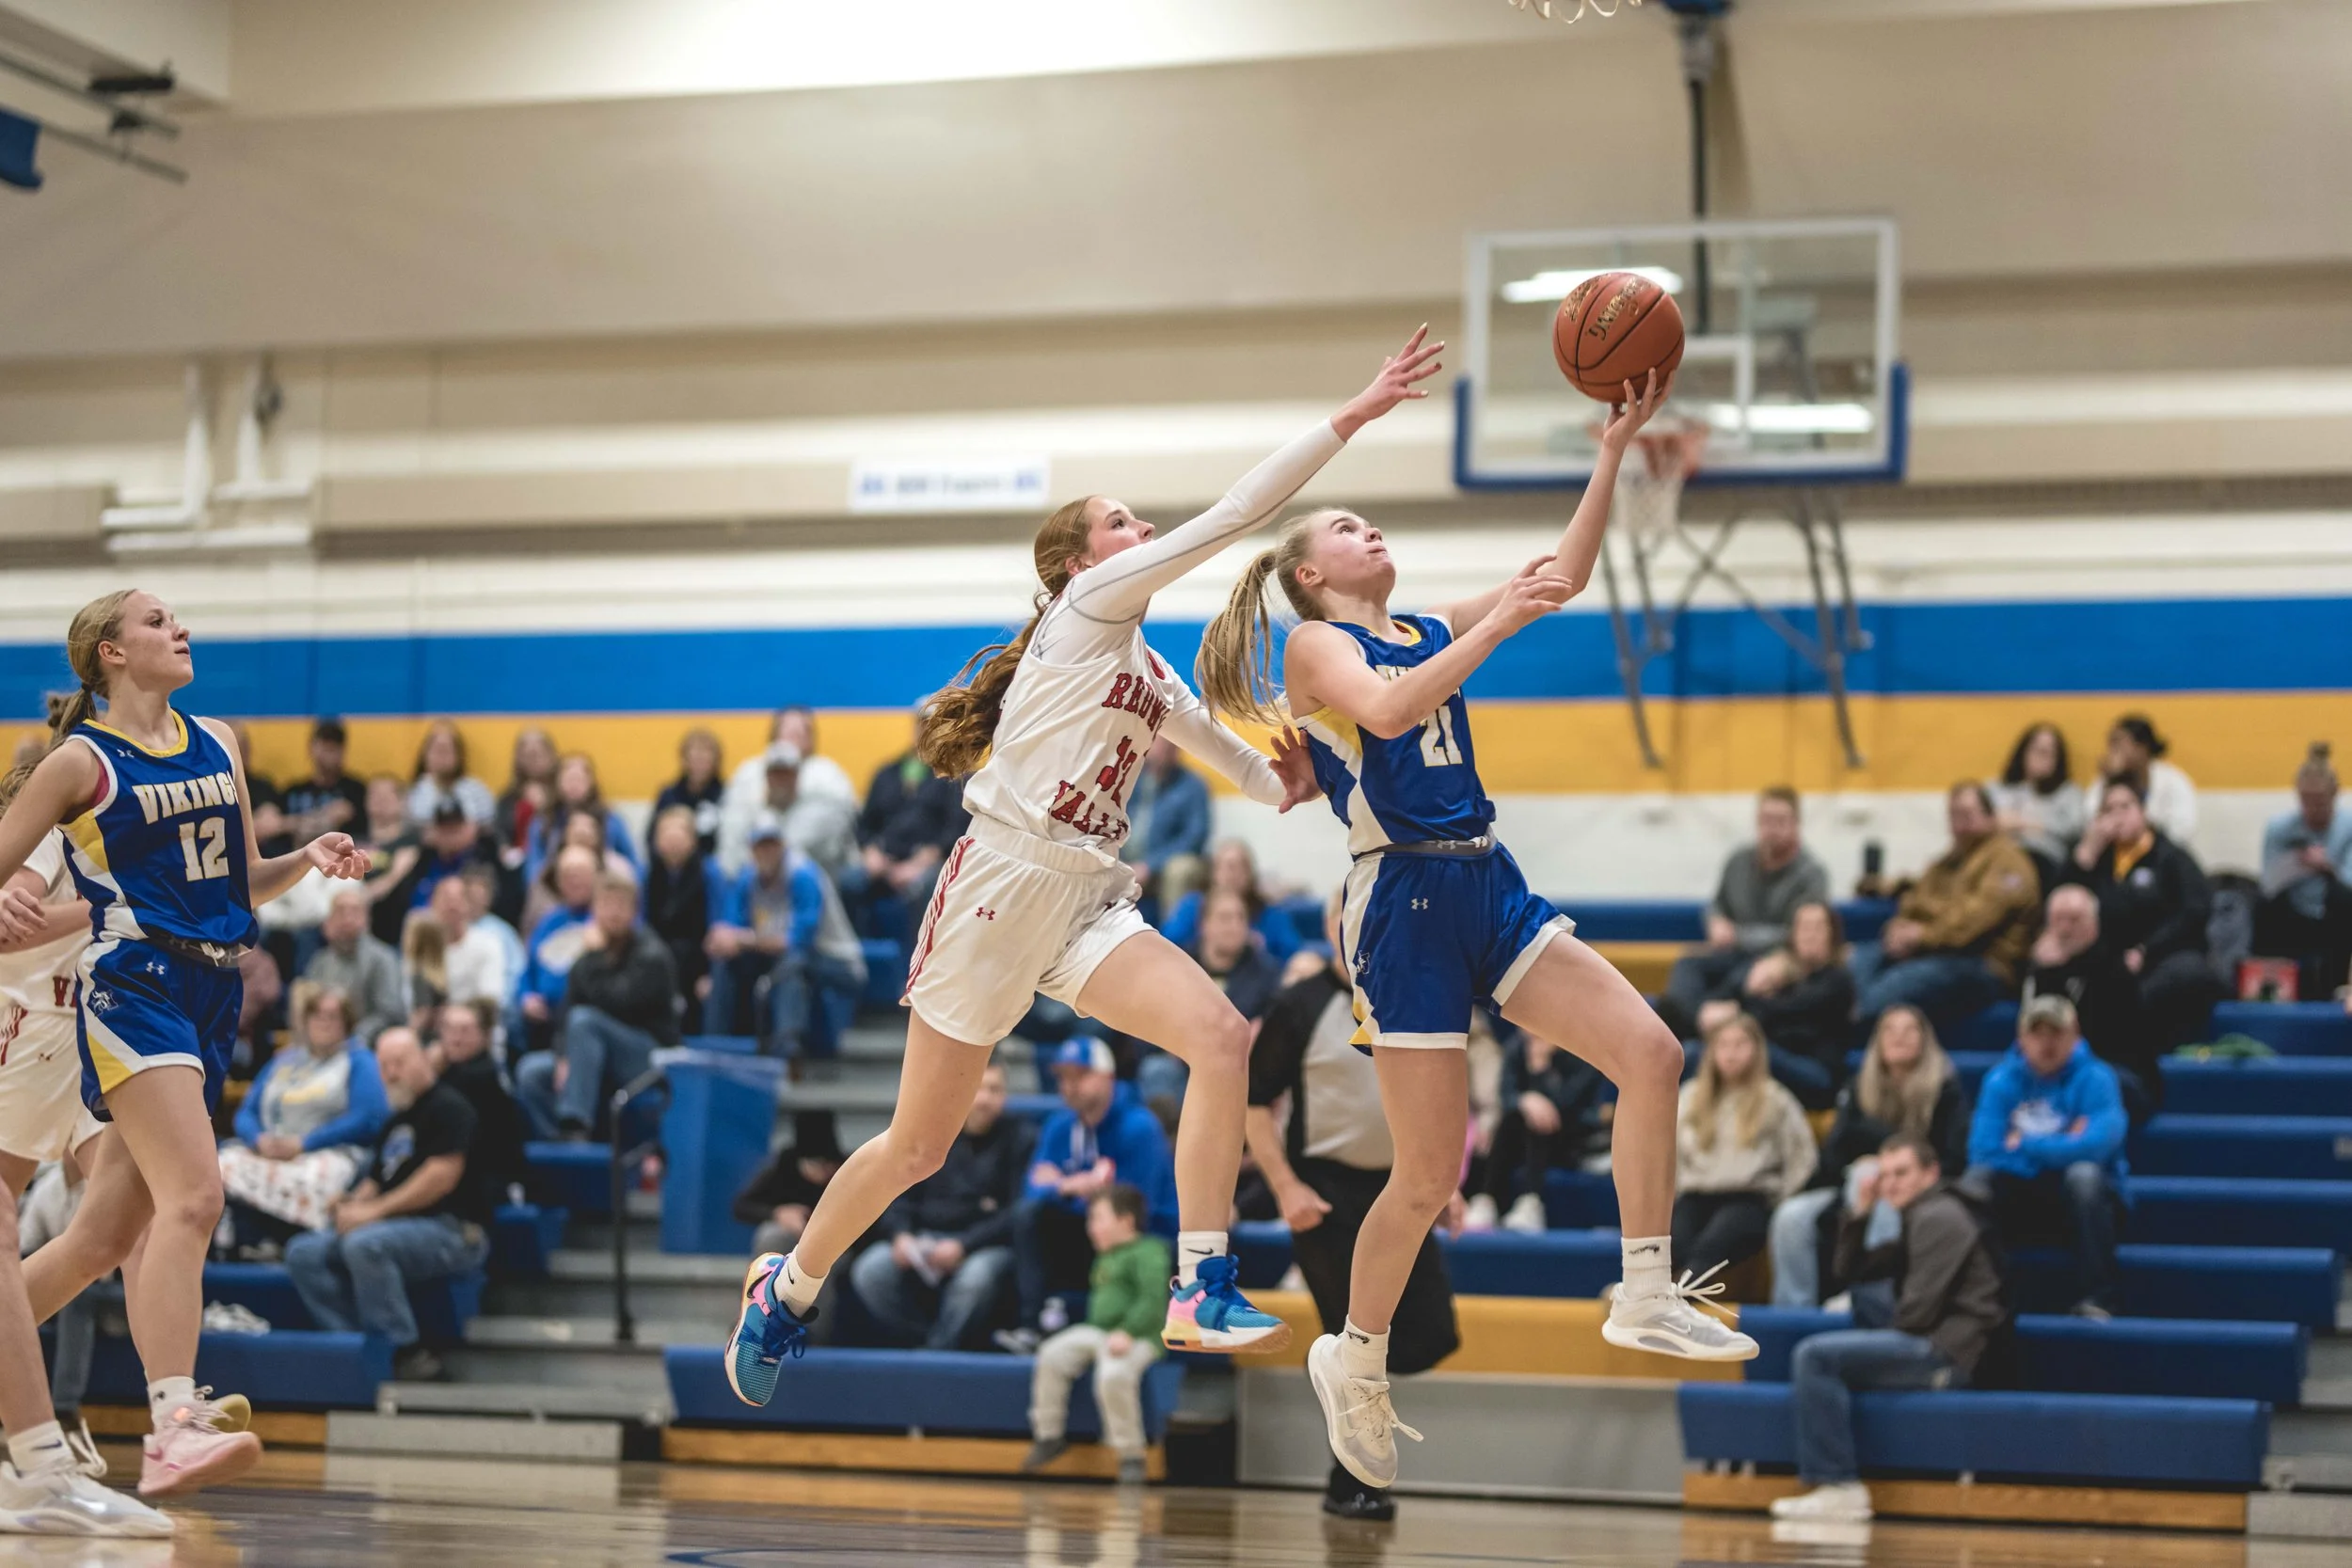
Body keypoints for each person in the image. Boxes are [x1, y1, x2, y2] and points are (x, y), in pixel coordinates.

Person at [723, 330, 1438, 1408]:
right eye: (1122, 522)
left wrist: (1285, 779)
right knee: (916, 1146)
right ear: (1077, 562)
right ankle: (788, 1286)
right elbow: (1239, 512)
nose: (1142, 531)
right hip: (998, 887)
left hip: (1085, 896)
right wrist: (1356, 411)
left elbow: (1237, 766)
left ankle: (1201, 1278)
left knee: (1223, 1035)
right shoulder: (1087, 611)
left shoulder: (1144, 661)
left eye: (1140, 521)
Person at [1191, 365, 1756, 1492]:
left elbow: (1564, 574)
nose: (1370, 526)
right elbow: (1393, 710)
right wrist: (1496, 617)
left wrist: (1607, 452)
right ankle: (1354, 1353)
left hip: (1486, 878)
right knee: (1423, 1172)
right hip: (1398, 901)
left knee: (1651, 1050)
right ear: (1311, 574)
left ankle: (1644, 1288)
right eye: (1347, 523)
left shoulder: (1421, 622)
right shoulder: (1316, 649)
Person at [0, 590, 369, 1502]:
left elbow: (242, 881)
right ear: (111, 655)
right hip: (133, 985)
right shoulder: (78, 761)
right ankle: (173, 1421)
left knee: (103, 1236)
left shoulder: (219, 742)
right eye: (159, 621)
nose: (182, 629)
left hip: (214, 989)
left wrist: (305, 858)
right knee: (196, 1194)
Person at [0, 755, 173, 1536]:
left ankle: (173, 1410)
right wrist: (116, 908)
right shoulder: (45, 837)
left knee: (115, 1230)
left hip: (94, 1043)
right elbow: (20, 925)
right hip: (27, 1034)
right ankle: (43, 1455)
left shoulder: (123, 835)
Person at [1244, 899, 1459, 1521]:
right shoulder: (1299, 1005)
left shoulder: (1410, 988)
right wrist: (1285, 1188)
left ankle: (1356, 1457)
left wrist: (1445, 1185)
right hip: (1326, 1196)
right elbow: (1254, 1104)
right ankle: (1353, 1481)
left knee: (1432, 1332)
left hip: (1402, 1189)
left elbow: (1431, 1102)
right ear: (1331, 926)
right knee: (1355, 1339)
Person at [1770, 1132, 2010, 1525]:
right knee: (1861, 1303)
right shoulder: (1918, 1214)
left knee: (1814, 1357)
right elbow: (1849, 1272)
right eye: (1884, 1175)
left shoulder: (1939, 1217)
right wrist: (1862, 1215)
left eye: (1902, 1172)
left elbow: (1916, 1316)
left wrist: (1873, 1338)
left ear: (1931, 1173)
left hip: (1951, 1353)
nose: (1891, 1183)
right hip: (1935, 1338)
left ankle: (1838, 1486)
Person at [284, 1027, 489, 1384]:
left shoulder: (451, 1107)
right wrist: (349, 1204)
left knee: (366, 1244)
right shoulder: (396, 1120)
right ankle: (352, 1346)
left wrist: (373, 1213)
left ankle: (404, 1351)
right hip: (398, 1226)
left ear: (423, 1059)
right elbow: (377, 1180)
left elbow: (440, 1177)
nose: (392, 1073)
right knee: (303, 1252)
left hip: (455, 1230)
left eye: (400, 1062)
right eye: (384, 1066)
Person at [1768, 1006, 1969, 1307]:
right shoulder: (1858, 1086)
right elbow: (1835, 1153)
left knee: (1875, 1174)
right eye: (1889, 1029)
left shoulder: (1945, 1090)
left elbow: (1952, 1159)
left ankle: (1871, 1296)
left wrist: (1874, 1148)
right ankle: (1794, 1310)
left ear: (1924, 1040)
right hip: (1850, 1187)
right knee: (1791, 1216)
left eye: (1908, 1030)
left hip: (1922, 1193)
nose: (1898, 1037)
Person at [998, 1037, 1178, 1354]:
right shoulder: (1059, 1126)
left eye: (1080, 1075)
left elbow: (1133, 1210)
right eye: (1063, 1077)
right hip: (1087, 1232)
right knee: (1029, 1216)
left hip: (1146, 1240)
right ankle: (1031, 1325)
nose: (1069, 1085)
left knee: (1111, 1226)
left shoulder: (1139, 1127)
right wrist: (1074, 1186)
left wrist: (1068, 1185)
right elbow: (1033, 1188)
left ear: (1107, 1077)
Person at [847, 1064, 1032, 1351]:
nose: (984, 1098)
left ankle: (940, 1351)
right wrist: (901, 1236)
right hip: (924, 1238)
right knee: (871, 1269)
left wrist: (963, 1246)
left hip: (983, 1245)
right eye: (978, 1089)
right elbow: (899, 1193)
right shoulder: (931, 1132)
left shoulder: (1020, 1138)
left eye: (995, 1090)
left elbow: (1017, 1212)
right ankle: (919, 1343)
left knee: (975, 1278)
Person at [1963, 994, 2126, 1318]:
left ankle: (2099, 1297)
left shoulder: (2098, 1079)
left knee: (2084, 1175)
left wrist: (2025, 1143)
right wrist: (2066, 1142)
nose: (2046, 1043)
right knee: (1975, 1182)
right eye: (2037, 1034)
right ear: (2021, 1038)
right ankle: (1978, 1297)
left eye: (2056, 1034)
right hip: (2022, 1199)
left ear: (2075, 1035)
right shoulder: (2000, 1081)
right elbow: (1983, 1150)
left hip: (2084, 1205)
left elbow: (2098, 1147)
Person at [1850, 783, 2041, 1036]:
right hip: (1937, 951)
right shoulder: (1950, 861)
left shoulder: (2009, 862)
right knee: (1858, 959)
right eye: (1953, 815)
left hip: (1985, 965)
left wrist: (1920, 935)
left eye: (1967, 814)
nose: (1959, 824)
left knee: (1896, 984)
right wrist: (1900, 927)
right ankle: (1843, 1011)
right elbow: (1918, 899)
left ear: (1990, 817)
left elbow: (1971, 923)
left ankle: (1851, 1017)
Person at [1019, 1183, 1172, 1487]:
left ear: (1126, 1222)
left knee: (1113, 1375)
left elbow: (1154, 1300)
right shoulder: (1106, 1256)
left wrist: (1128, 1331)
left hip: (1141, 1336)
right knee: (1052, 1354)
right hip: (1099, 1331)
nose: (1091, 1228)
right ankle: (1048, 1435)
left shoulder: (1150, 1251)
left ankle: (1131, 1454)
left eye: (1098, 1219)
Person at [218, 983, 389, 1254]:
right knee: (218, 1164)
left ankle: (283, 1242)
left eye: (333, 1017)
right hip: (271, 1149)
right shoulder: (284, 1061)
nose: (324, 1023)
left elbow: (370, 1117)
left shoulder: (359, 1061)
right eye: (317, 1016)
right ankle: (237, 1244)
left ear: (347, 1022)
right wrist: (259, 1140)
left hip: (325, 1151)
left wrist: (304, 1143)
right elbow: (246, 1112)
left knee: (312, 1179)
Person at [516, 869, 680, 1141]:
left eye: (620, 905)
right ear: (594, 910)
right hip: (592, 1055)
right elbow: (566, 1013)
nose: (613, 913)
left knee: (585, 1021)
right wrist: (562, 1057)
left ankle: (576, 1125)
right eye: (606, 904)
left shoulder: (651, 955)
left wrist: (593, 958)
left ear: (634, 911)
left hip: (648, 1055)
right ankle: (559, 1146)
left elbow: (621, 1002)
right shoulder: (589, 957)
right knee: (531, 1071)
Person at [2064, 776, 2217, 1058]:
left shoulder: (2170, 857)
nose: (2118, 816)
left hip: (2164, 956)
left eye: (2126, 806)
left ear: (2143, 812)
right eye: (2109, 809)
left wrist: (2147, 950)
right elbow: (2063, 906)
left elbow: (2194, 911)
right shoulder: (2096, 859)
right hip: (2108, 961)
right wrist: (2086, 853)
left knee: (2185, 975)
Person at [1659, 787, 1830, 1038]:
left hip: (1781, 961)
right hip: (1732, 953)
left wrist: (1737, 934)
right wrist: (1715, 921)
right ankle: (1695, 1022)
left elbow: (1795, 934)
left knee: (1740, 980)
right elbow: (1717, 904)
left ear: (1796, 824)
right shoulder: (1738, 861)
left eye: (1780, 821)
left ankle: (1688, 1026)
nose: (1771, 828)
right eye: (1765, 820)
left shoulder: (1812, 874)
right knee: (1688, 964)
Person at [1671, 1013, 1815, 1289]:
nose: (1731, 1053)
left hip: (1749, 1198)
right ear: (1711, 1052)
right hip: (1695, 1195)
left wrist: (1780, 1198)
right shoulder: (1689, 1097)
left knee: (1712, 1243)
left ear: (1756, 1049)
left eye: (1740, 1044)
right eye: (1723, 1045)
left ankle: (1675, 1298)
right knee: (1673, 1242)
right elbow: (1671, 1156)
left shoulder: (1775, 1098)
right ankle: (1660, 1297)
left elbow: (1802, 1157)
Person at [704, 817, 866, 1057]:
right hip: (778, 954)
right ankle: (714, 1047)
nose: (767, 852)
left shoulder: (804, 876)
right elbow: (730, 930)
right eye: (761, 846)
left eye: (772, 845)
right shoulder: (748, 879)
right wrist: (722, 941)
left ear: (783, 846)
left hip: (837, 961)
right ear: (752, 850)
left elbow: (798, 941)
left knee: (791, 964)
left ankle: (787, 1052)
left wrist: (742, 939)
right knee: (727, 963)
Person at [1696, 900, 1856, 1109]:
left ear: (1832, 935)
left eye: (1818, 927)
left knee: (1742, 1048)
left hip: (1817, 1075)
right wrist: (1752, 985)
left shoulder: (1838, 980)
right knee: (1703, 1049)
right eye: (1804, 927)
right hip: (1777, 1064)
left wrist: (1740, 1006)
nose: (1810, 934)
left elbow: (1788, 1011)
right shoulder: (1785, 977)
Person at [1136, 886, 1284, 1108]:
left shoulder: (1266, 971)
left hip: (1240, 1064)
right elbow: (1149, 1018)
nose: (1234, 926)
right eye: (1225, 918)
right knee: (1156, 1070)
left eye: (1240, 918)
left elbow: (1272, 1023)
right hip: (1183, 1061)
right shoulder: (1179, 964)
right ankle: (1172, 1140)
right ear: (1204, 925)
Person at [2021, 883, 2151, 1117]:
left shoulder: (2115, 969)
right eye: (2058, 919)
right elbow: (2036, 1032)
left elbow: (2100, 1037)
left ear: (2093, 925)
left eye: (2075, 920)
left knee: (2091, 1083)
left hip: (2116, 1069)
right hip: (2056, 1070)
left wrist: (2054, 974)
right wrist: (2045, 973)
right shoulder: (2041, 971)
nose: (2065, 928)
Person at [1464, 1023, 1607, 1234]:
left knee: (1537, 1119)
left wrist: (1540, 1072)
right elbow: (1506, 1094)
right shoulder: (1517, 1048)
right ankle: (1486, 1199)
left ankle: (1531, 1201)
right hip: (1522, 1138)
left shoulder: (1582, 1053)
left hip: (1571, 1139)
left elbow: (1568, 1105)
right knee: (1512, 1119)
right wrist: (1526, 1100)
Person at [2257, 742, 2352, 999]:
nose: (2313, 810)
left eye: (2320, 803)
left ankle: (2338, 985)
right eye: (2306, 802)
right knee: (2262, 907)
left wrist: (2327, 868)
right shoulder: (2280, 828)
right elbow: (2268, 881)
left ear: (2334, 796)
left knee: (2343, 897)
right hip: (2295, 909)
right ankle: (2273, 986)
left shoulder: (2349, 824)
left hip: (2336, 910)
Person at [854, 712, 971, 914]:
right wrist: (871, 853)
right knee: (851, 882)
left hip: (928, 862)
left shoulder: (956, 777)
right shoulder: (886, 773)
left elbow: (955, 832)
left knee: (927, 887)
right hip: (884, 859)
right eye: (923, 724)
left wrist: (918, 864)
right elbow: (865, 824)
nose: (927, 731)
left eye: (935, 725)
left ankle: (922, 945)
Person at [717, 708, 858, 875]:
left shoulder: (829, 775)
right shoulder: (748, 773)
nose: (795, 734)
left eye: (802, 729)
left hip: (819, 870)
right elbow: (732, 833)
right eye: (788, 728)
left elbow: (832, 836)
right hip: (753, 872)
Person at [427, 999, 526, 1208]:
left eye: (465, 1031)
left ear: (484, 1036)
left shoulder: (482, 1075)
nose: (456, 1039)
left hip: (482, 1185)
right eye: (450, 1030)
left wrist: (428, 1073)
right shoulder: (449, 1071)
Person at [1159, 838, 1302, 967]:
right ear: (1214, 872)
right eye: (1226, 866)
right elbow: (1166, 946)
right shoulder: (1193, 906)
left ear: (1251, 873)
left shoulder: (1271, 913)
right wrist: (1213, 940)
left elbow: (1294, 958)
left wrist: (1259, 949)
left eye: (1241, 867)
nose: (1233, 874)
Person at [515, 845, 600, 1054]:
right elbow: (527, 971)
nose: (574, 881)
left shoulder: (605, 921)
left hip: (583, 1020)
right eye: (567, 876)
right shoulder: (549, 922)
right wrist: (526, 997)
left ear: (597, 877)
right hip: (542, 1019)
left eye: (580, 874)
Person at [732, 1112, 847, 1258]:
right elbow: (741, 1206)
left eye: (829, 1164)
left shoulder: (846, 1171)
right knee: (771, 1235)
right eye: (817, 1164)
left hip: (835, 1240)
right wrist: (778, 1213)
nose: (825, 1171)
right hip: (791, 1238)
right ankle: (769, 1279)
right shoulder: (783, 1168)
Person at [304, 887, 406, 1044]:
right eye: (340, 912)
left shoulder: (383, 959)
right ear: (328, 921)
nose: (348, 918)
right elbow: (309, 1009)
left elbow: (391, 1012)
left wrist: (356, 1037)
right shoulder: (319, 962)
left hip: (369, 1046)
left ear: (367, 920)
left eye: (355, 911)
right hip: (323, 1045)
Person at [1120, 738, 1213, 911]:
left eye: (1170, 743)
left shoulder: (1193, 786)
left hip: (1164, 865)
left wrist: (1150, 865)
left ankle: (1172, 934)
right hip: (1124, 860)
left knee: (1179, 870)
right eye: (1158, 741)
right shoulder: (1129, 778)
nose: (1163, 748)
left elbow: (1195, 837)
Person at [525, 752, 640, 887]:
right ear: (557, 782)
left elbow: (635, 866)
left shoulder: (611, 820)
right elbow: (532, 870)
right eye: (569, 779)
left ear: (591, 782)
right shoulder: (543, 823)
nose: (574, 785)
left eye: (579, 779)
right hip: (555, 891)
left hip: (603, 890)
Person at [644, 805, 715, 1018]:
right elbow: (639, 925)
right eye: (666, 833)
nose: (673, 840)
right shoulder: (646, 875)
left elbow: (718, 925)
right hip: (656, 960)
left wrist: (710, 973)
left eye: (680, 833)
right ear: (656, 841)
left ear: (693, 840)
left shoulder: (710, 874)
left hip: (697, 959)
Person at [2084, 713, 2197, 845]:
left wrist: (2140, 828)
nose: (2112, 752)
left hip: (2163, 855)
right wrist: (2110, 782)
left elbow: (2184, 828)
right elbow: (2089, 820)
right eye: (2111, 745)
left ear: (2143, 747)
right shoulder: (2106, 780)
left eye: (2118, 744)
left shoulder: (2173, 781)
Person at [1990, 721, 2085, 871]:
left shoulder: (2069, 793)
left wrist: (2024, 822)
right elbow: (1980, 822)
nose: (2042, 758)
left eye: (2049, 753)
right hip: (1997, 858)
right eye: (2038, 750)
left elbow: (2074, 830)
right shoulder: (1996, 788)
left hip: (2044, 859)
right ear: (2023, 752)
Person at [358, 774, 424, 942]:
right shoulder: (350, 841)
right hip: (355, 928)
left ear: (402, 802)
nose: (380, 800)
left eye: (387, 795)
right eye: (374, 795)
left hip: (396, 930)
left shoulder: (411, 843)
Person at [281, 718, 367, 847]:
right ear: (310, 748)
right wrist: (300, 822)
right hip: (296, 857)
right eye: (324, 745)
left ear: (343, 751)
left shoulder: (356, 790)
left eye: (334, 746)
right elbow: (273, 824)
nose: (329, 751)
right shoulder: (293, 791)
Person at [407, 721, 496, 832]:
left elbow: (488, 831)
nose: (441, 756)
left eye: (447, 750)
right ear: (425, 755)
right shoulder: (411, 794)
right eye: (437, 750)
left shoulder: (478, 791)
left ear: (459, 756)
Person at [654, 728, 728, 859]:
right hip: (674, 864)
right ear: (684, 760)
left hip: (715, 864)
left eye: (705, 757)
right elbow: (652, 837)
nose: (699, 762)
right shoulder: (669, 795)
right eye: (694, 757)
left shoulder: (727, 795)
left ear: (716, 761)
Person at [494, 727, 560, 859]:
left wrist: (544, 808)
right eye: (528, 755)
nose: (533, 759)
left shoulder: (564, 794)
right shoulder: (507, 798)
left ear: (552, 756)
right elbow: (500, 835)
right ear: (518, 759)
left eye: (538, 753)